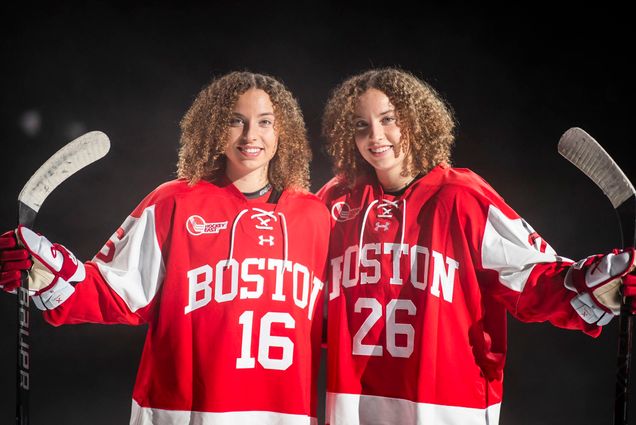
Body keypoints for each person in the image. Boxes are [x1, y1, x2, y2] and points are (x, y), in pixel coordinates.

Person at [0, 71, 330, 425]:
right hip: (180, 413)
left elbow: (341, 318)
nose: (251, 135)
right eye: (236, 120)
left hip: (285, 415)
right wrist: (51, 271)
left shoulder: (314, 216)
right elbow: (114, 291)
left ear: (284, 131)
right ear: (214, 128)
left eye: (265, 122)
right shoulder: (174, 202)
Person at [317, 67, 636, 425]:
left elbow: (532, 278)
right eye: (361, 125)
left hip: (446, 411)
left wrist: (600, 283)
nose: (375, 135)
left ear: (416, 120)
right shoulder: (337, 201)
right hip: (353, 410)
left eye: (389, 119)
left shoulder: (462, 196)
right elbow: (295, 288)